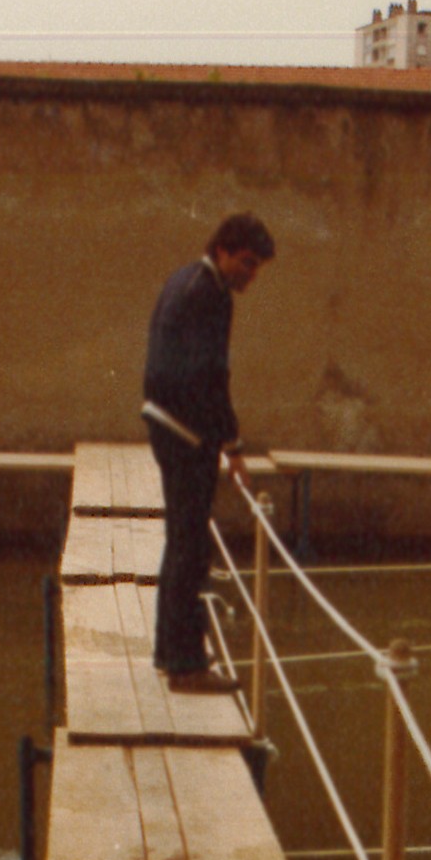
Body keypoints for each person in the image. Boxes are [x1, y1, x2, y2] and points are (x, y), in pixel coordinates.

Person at [141, 212, 276, 689]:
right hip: (182, 431)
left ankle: (168, 652)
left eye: (257, 266)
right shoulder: (210, 295)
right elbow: (211, 378)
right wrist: (233, 445)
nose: (250, 274)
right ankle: (185, 666)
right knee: (192, 547)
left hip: (167, 422)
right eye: (246, 262)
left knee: (183, 541)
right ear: (222, 250)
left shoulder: (186, 279)